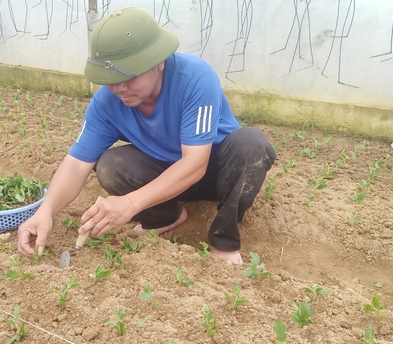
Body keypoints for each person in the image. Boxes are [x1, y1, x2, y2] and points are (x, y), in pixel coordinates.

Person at [17, 7, 276, 265]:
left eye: (127, 76)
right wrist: (46, 211)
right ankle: (164, 217)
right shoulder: (107, 102)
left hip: (216, 172)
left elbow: (196, 163)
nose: (119, 88)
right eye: (110, 78)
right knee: (109, 165)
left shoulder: (195, 78)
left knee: (252, 145)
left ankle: (223, 240)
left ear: (158, 63)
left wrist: (129, 204)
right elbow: (76, 163)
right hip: (164, 173)